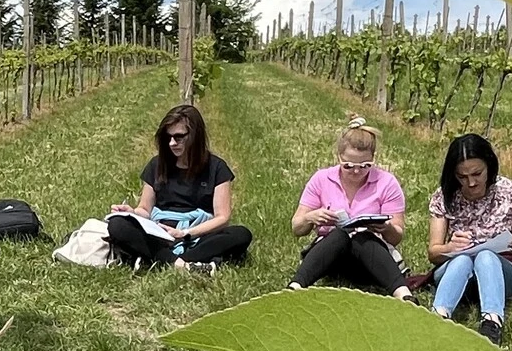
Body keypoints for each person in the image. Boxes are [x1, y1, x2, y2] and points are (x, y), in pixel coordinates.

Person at [106, 104, 252, 273]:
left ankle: (157, 259)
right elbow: (145, 208)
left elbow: (222, 217)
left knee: (241, 234)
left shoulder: (216, 168)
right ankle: (185, 264)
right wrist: (131, 212)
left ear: (195, 136)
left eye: (179, 137)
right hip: (160, 233)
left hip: (197, 233)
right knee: (117, 225)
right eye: (168, 138)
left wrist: (185, 233)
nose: (172, 143)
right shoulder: (157, 165)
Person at [425, 132, 512, 343]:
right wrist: (449, 247)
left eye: (477, 174)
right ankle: (438, 316)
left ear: (490, 166)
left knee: (486, 256)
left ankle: (492, 321)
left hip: (504, 272)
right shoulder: (445, 196)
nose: (471, 183)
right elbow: (433, 253)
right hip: (458, 271)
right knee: (462, 259)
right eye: (462, 177)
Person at [287, 117, 411, 297]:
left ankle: (403, 294)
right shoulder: (321, 179)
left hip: (373, 258)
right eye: (348, 165)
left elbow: (397, 236)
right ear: (338, 157)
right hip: (331, 257)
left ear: (373, 159)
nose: (356, 171)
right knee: (339, 235)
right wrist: (311, 217)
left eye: (365, 166)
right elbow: (296, 227)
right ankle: (295, 287)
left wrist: (386, 227)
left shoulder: (387, 183)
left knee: (364, 237)